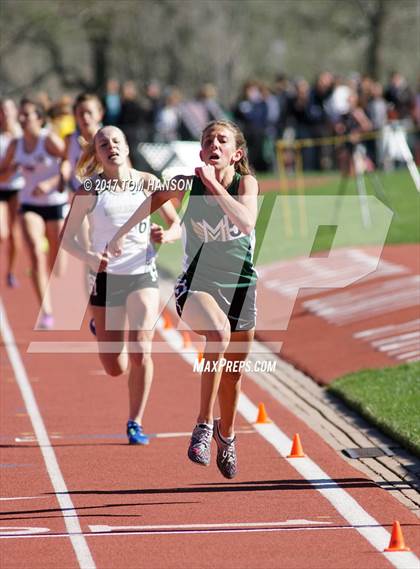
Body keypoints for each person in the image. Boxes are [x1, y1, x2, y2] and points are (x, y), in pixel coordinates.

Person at [109, 120, 259, 478]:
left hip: (240, 286)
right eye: (209, 140)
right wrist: (121, 234)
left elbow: (248, 221)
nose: (214, 144)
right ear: (201, 151)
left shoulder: (245, 183)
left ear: (236, 154)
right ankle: (204, 426)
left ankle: (228, 434)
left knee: (233, 376)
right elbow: (151, 202)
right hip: (197, 284)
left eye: (222, 140)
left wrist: (213, 186)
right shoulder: (185, 183)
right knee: (217, 334)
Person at [62, 125, 181, 444]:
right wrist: (89, 256)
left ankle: (135, 421)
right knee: (115, 367)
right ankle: (98, 327)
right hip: (104, 278)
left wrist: (165, 236)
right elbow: (67, 238)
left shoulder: (148, 183)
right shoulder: (90, 190)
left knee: (142, 347)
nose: (111, 146)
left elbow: (176, 224)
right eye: (103, 144)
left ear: (127, 147)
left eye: (116, 141)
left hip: (142, 273)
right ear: (97, 154)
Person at [0, 97, 67, 328]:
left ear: (40, 118)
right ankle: (46, 312)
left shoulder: (49, 141)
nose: (22, 118)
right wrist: (9, 172)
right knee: (36, 254)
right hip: (29, 204)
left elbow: (69, 166)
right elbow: (3, 174)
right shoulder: (14, 145)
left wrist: (49, 184)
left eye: (28, 114)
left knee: (58, 263)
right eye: (21, 114)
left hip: (55, 203)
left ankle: (57, 290)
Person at [0, 99, 24, 287]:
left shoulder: (22, 135)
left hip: (18, 188)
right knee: (2, 233)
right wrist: (7, 171)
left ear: (15, 111)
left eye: (8, 109)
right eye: (2, 110)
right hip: (1, 187)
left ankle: (10, 271)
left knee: (15, 233)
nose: (5, 113)